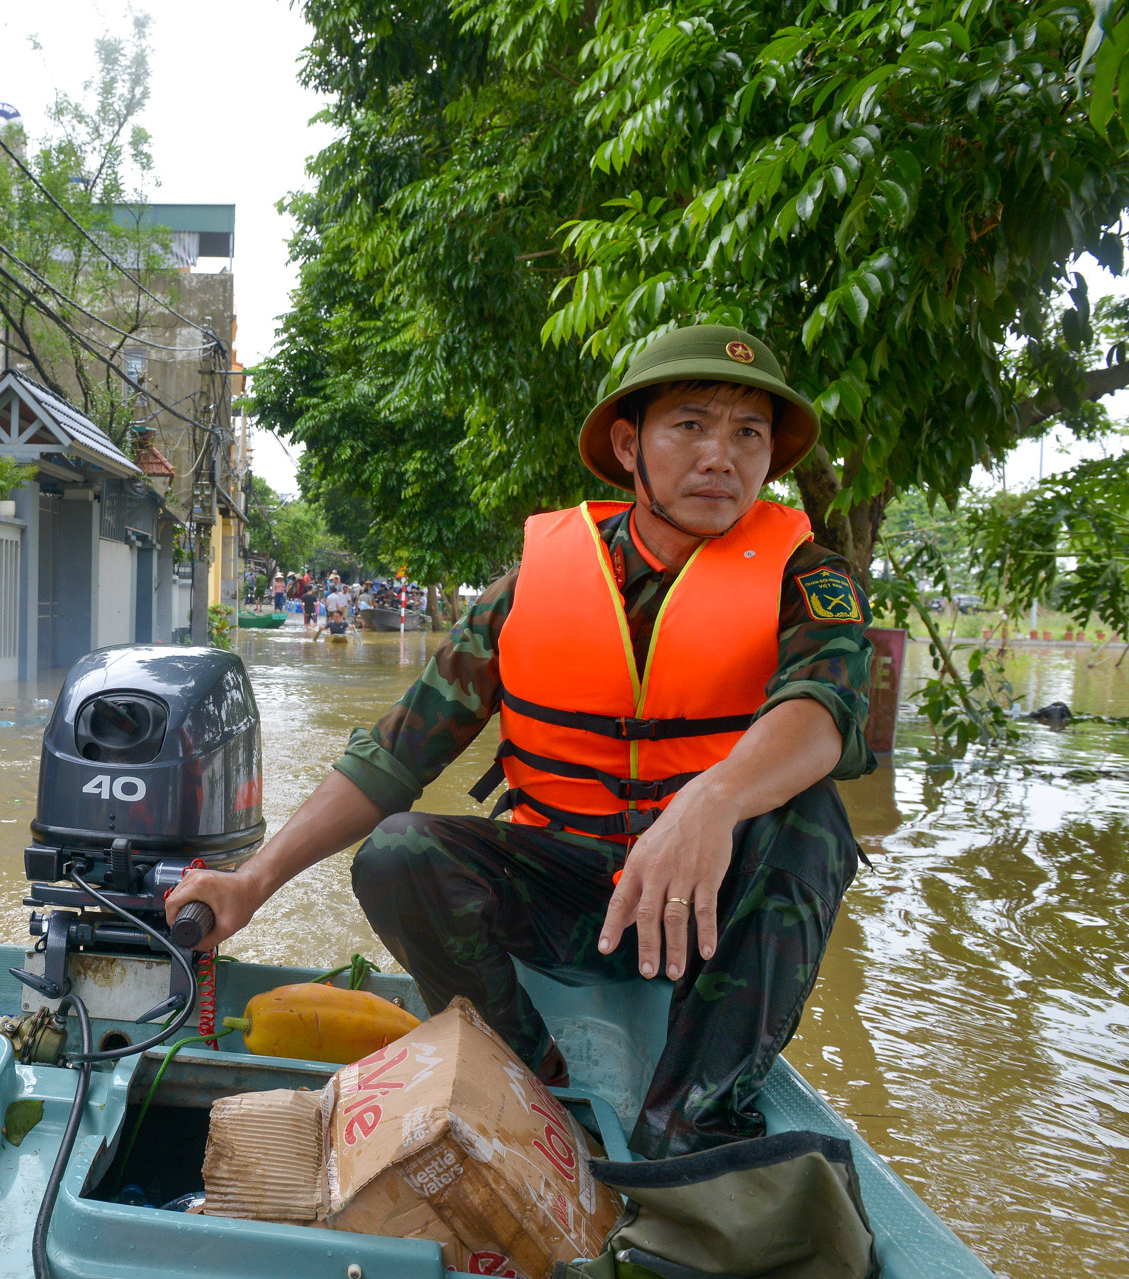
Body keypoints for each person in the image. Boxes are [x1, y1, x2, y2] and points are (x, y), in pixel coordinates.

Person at [169, 325, 872, 1160]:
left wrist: (711, 801)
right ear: (629, 442)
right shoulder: (534, 585)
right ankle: (536, 1093)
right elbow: (396, 755)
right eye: (691, 424)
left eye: (748, 433)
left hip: (709, 915)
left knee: (813, 818)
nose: (722, 455)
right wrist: (253, 880)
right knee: (399, 854)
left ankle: (687, 1127)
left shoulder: (807, 574)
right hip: (570, 900)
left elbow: (822, 710)